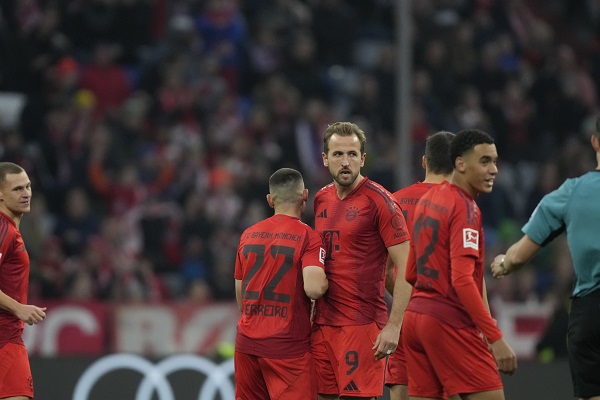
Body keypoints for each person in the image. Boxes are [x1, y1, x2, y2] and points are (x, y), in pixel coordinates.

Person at [403, 129, 517, 400]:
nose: (494, 170)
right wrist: (495, 338)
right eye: (485, 161)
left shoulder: (427, 200)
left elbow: (410, 272)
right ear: (460, 163)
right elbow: (463, 280)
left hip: (415, 320)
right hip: (448, 321)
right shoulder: (465, 208)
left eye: (495, 161)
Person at [490, 117, 600, 400]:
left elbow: (521, 253)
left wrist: (504, 263)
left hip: (591, 312)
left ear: (595, 142)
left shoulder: (571, 192)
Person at [312, 121, 411, 400]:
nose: (346, 162)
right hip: (322, 324)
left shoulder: (380, 201)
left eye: (352, 154)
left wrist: (394, 325)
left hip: (362, 325)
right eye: (338, 154)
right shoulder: (320, 199)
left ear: (363, 159)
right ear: (325, 159)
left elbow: (407, 267)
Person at [234, 167, 328, 400]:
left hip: (247, 344)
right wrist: (328, 280)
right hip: (288, 349)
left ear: (270, 200)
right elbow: (314, 288)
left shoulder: (248, 234)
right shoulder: (309, 237)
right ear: (305, 195)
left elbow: (241, 295)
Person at [385, 131, 455, 400]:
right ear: (458, 163)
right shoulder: (459, 204)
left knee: (402, 389)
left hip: (403, 318)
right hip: (445, 319)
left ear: (424, 161)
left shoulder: (393, 201)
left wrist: (405, 299)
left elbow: (385, 270)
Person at [0, 162, 47, 400]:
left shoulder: (10, 229)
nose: (26, 193)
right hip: (5, 340)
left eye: (28, 187)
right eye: (17, 189)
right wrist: (19, 309)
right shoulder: (3, 229)